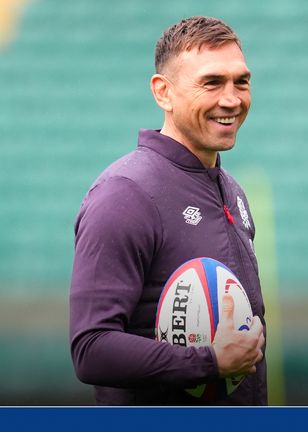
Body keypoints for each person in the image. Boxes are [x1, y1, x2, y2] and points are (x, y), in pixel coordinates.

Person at [69, 16, 266, 405]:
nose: (232, 99)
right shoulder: (125, 194)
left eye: (240, 82)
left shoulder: (233, 192)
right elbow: (91, 349)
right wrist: (208, 361)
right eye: (211, 83)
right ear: (163, 92)